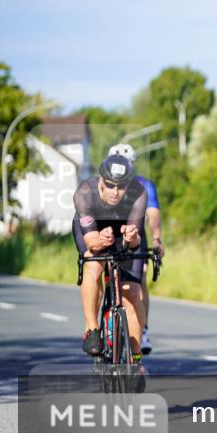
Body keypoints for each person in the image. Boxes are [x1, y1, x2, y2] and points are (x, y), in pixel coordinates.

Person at [73, 155, 147, 363]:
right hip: (93, 232)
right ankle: (92, 330)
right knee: (94, 266)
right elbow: (92, 243)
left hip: (122, 232)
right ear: (101, 181)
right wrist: (101, 240)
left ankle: (136, 357)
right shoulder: (84, 194)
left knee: (132, 292)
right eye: (110, 185)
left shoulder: (138, 194)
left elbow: (135, 242)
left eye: (121, 187)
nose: (115, 192)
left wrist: (131, 237)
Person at [107, 144, 165, 355]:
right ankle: (101, 322)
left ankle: (144, 328)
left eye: (127, 164)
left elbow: (153, 215)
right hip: (109, 235)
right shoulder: (103, 186)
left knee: (139, 278)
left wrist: (157, 239)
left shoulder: (144, 185)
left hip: (135, 234)